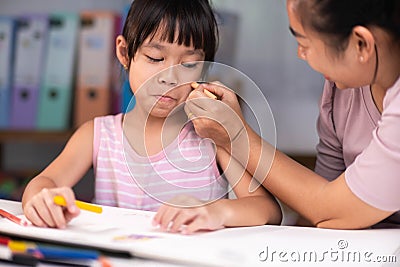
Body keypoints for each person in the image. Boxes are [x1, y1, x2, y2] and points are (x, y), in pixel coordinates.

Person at [21, 0, 281, 232]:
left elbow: (266, 209)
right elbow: (44, 182)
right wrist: (42, 198)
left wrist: (216, 212)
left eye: (188, 64)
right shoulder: (98, 135)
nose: (169, 77)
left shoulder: (210, 135)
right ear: (124, 53)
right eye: (155, 58)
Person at [184, 0, 400, 229]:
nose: (300, 54)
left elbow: (331, 210)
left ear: (361, 45)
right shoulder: (342, 88)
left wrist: (236, 136)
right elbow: (314, 205)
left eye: (304, 42)